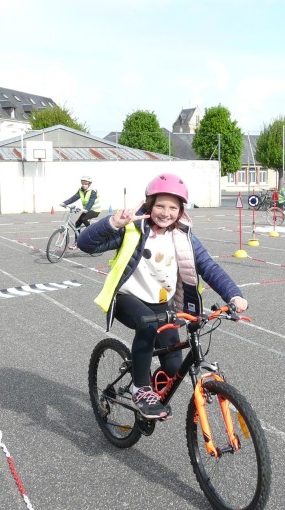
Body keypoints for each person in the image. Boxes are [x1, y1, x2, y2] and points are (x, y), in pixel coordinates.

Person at [78, 173, 248, 420]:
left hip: (163, 304)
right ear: (149, 204)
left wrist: (233, 295)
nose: (165, 212)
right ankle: (140, 389)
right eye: (160, 205)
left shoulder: (183, 236)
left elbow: (209, 267)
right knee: (148, 325)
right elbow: (85, 244)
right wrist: (113, 223)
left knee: (172, 366)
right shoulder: (132, 230)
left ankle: (150, 395)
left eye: (173, 207)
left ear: (180, 211)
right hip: (128, 298)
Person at [60, 175, 101, 248]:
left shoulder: (93, 191)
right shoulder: (81, 190)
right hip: (87, 210)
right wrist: (65, 203)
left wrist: (87, 209)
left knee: (83, 219)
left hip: (95, 210)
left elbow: (91, 201)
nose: (84, 185)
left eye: (86, 184)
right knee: (77, 223)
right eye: (83, 183)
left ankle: (91, 232)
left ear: (89, 184)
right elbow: (74, 198)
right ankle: (77, 242)